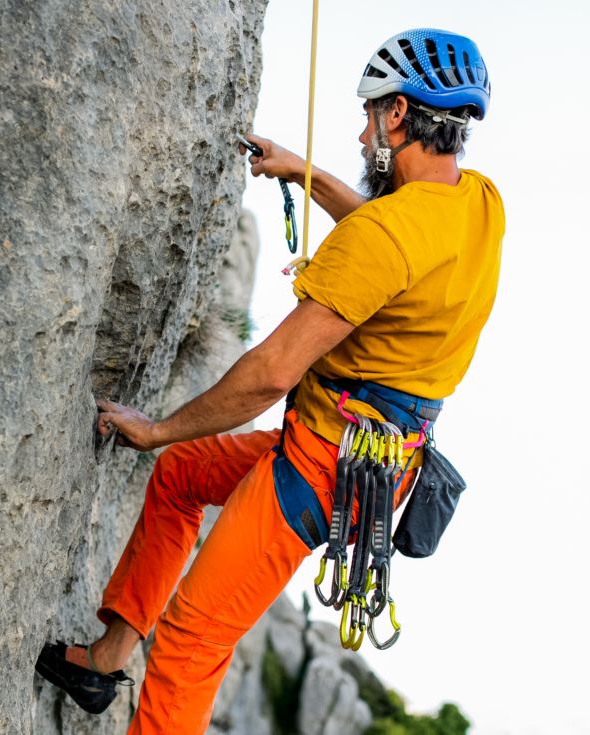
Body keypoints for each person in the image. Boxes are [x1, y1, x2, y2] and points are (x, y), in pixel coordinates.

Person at [35, 28, 504, 735]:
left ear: (399, 115)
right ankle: (103, 661)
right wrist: (305, 175)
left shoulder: (384, 238)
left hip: (320, 465)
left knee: (192, 640)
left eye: (371, 112)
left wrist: (156, 426)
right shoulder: (477, 205)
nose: (363, 127)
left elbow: (268, 374)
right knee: (179, 477)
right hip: (374, 459)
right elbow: (397, 239)